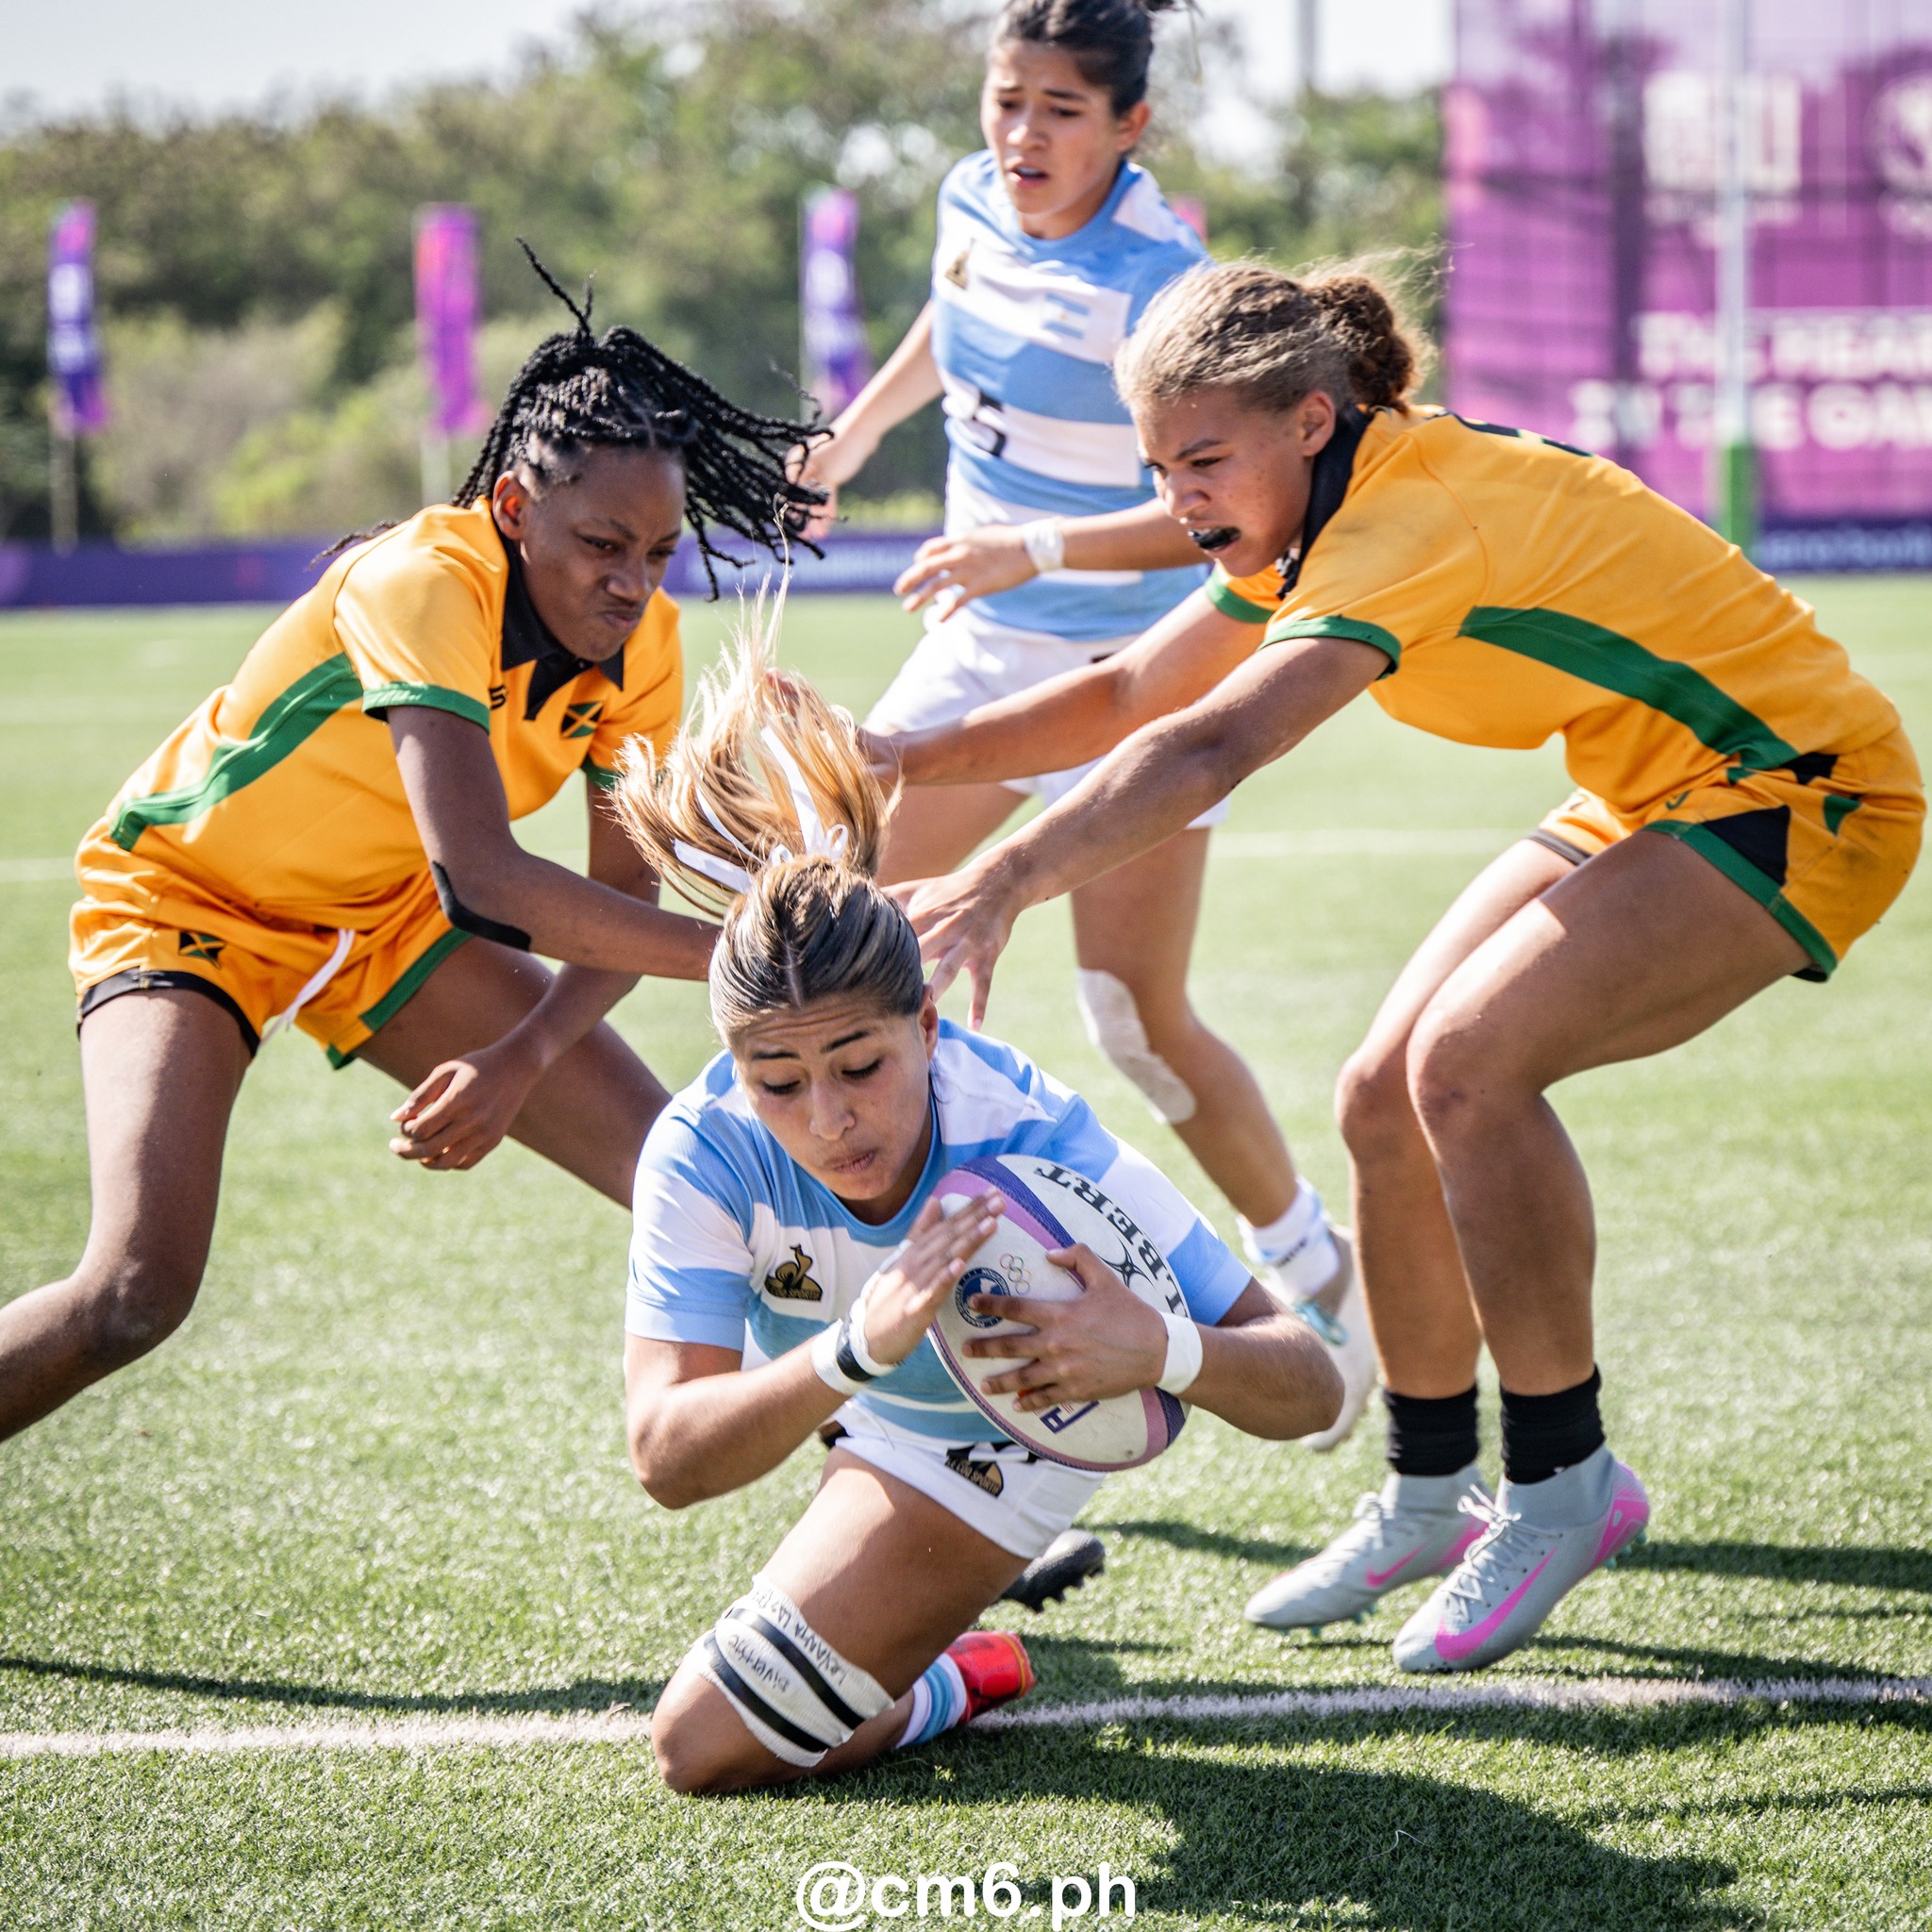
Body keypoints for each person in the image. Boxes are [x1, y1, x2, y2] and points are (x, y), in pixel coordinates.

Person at [882, 259, 1924, 1671]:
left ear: (1311, 420)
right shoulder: (1312, 513)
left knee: (1467, 1068)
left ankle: (1564, 1486)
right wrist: (893, 752)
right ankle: (1432, 1491)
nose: (1180, 497)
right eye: (1160, 466)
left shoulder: (1398, 523)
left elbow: (1207, 746)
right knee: (1383, 1091)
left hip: (1804, 791)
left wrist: (1001, 877)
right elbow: (1136, 691)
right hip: (1654, 788)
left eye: (1202, 460)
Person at [0, 259, 824, 1444]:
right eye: (602, 543)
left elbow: (616, 892)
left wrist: (525, 1053)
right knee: (134, 1291)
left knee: (718, 1189)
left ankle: (932, 1495)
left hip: (383, 922)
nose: (631, 584)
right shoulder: (422, 579)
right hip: (191, 902)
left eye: (655, 553)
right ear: (512, 510)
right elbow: (481, 876)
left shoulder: (644, 648)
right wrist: (759, 959)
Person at [612, 616, 1341, 1791]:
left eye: (862, 1066)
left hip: (998, 1438)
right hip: (855, 1398)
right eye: (778, 1082)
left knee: (702, 1744)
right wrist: (858, 1347)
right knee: (757, 1693)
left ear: (930, 1028)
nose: (827, 1119)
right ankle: (935, 1615)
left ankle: (965, 1655)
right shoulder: (702, 1148)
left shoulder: (1022, 1127)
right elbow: (667, 1455)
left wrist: (1155, 1346)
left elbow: (1307, 1380)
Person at [792, 0, 1374, 1450]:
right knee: (843, 962)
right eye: (1006, 100)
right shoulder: (970, 197)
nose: (1022, 134)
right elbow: (954, 313)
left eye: (1061, 109)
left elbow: (1211, 523)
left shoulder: (1163, 280)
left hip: (1137, 669)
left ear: (1131, 128)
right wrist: (852, 438)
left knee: (1135, 1020)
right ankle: (897, 1325)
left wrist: (1032, 552)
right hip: (976, 650)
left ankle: (1314, 1275)